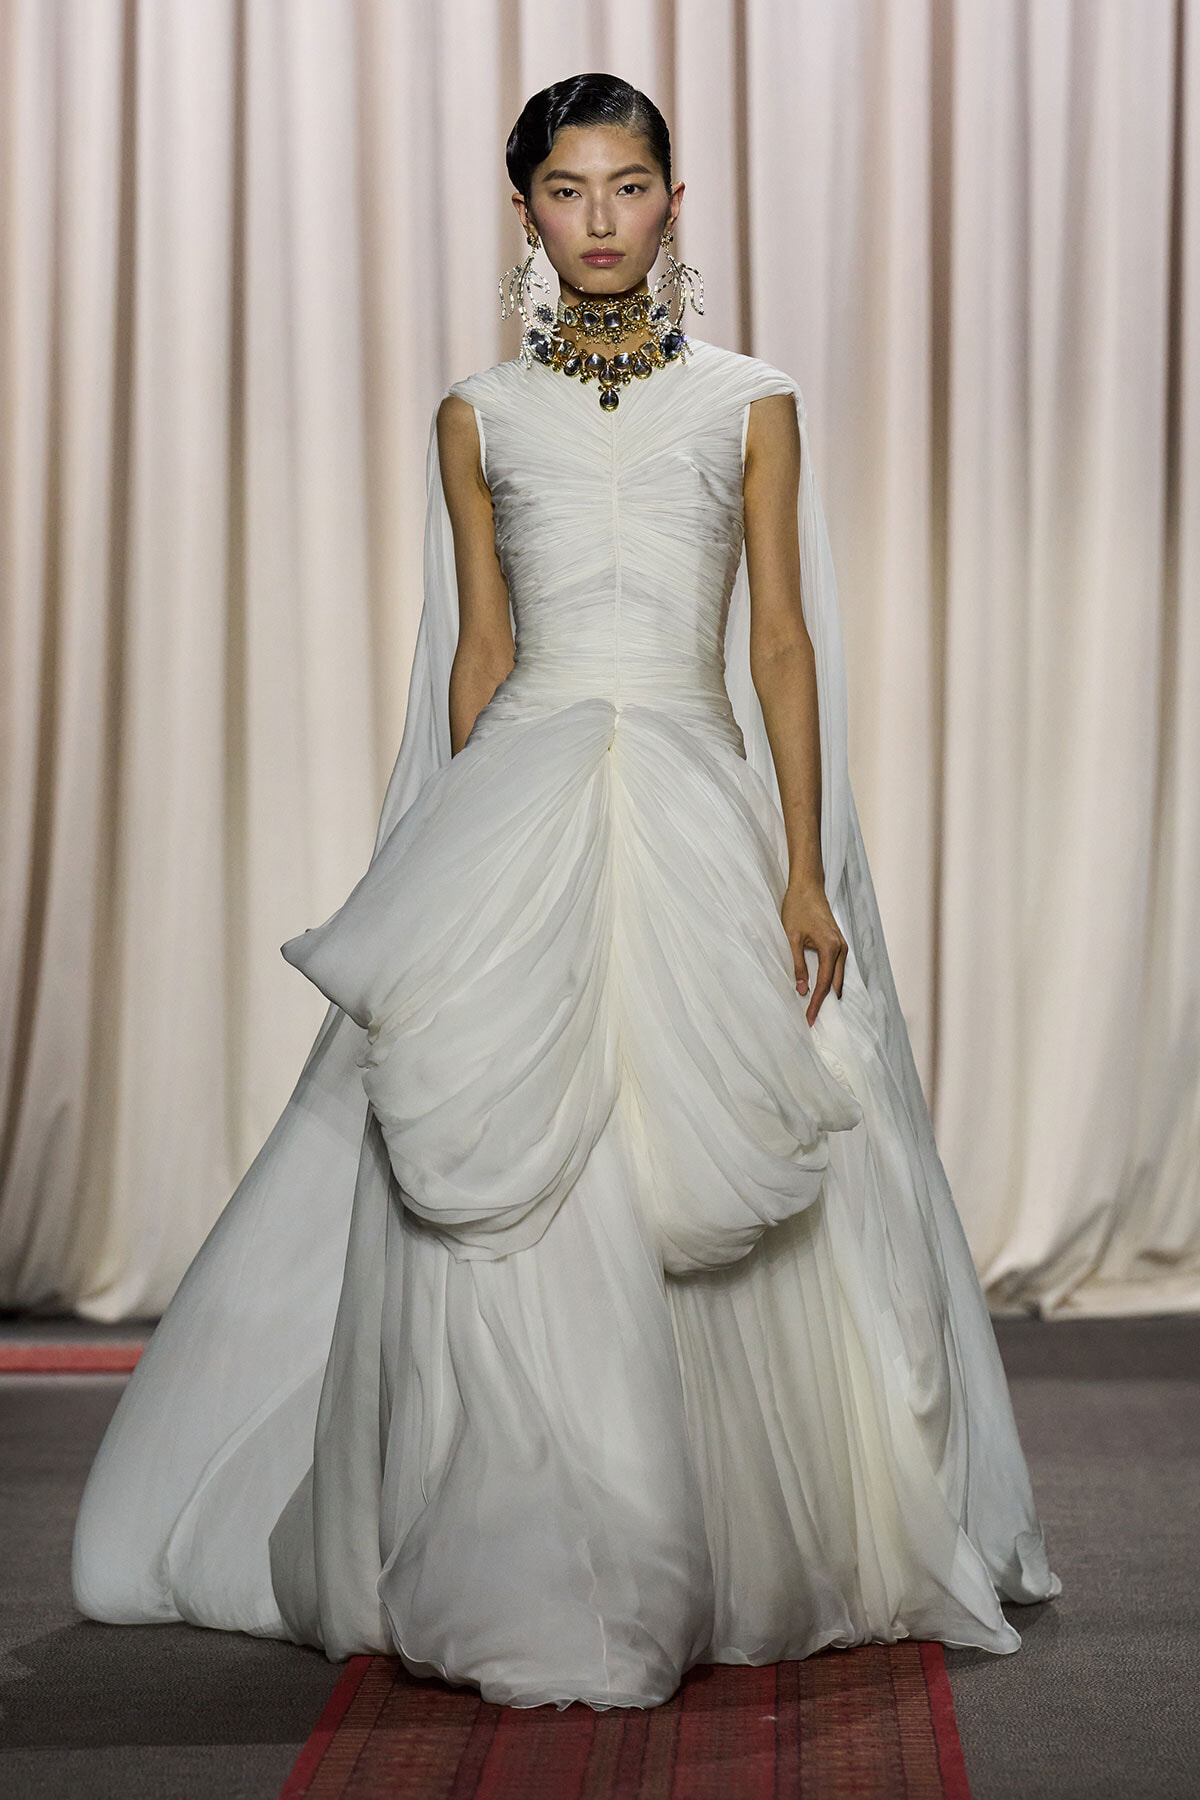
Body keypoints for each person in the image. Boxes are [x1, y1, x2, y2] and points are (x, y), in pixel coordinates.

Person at [71, 72, 1060, 1713]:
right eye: (568, 189)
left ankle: (733, 1544)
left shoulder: (751, 401)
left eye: (629, 185)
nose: (601, 219)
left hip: (694, 803)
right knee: (515, 1171)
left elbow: (781, 642)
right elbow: (481, 650)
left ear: (674, 199)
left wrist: (804, 866)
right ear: (524, 208)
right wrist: (459, 871)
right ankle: (537, 1537)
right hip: (524, 806)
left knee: (708, 1156)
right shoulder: (476, 413)